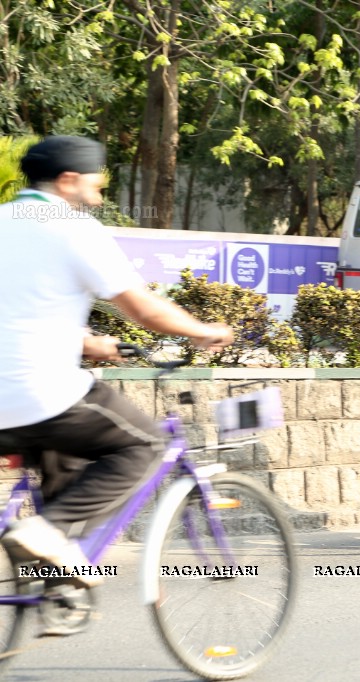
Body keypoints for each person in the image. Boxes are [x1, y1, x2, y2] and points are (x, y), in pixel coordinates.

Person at [0, 136, 234, 587]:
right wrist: (206, 331)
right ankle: (45, 533)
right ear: (68, 181)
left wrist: (85, 342)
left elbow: (18, 310)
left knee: (63, 460)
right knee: (144, 445)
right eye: (96, 183)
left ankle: (53, 590)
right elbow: (145, 311)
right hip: (40, 396)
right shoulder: (72, 228)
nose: (101, 194)